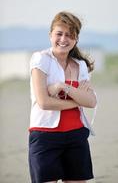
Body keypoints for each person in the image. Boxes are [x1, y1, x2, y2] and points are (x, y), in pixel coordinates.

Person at [29, 11, 97, 183]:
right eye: (59, 33)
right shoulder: (41, 59)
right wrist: (77, 100)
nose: (63, 39)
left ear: (76, 39)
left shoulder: (80, 65)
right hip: (45, 136)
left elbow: (92, 101)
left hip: (77, 136)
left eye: (70, 35)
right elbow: (44, 102)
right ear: (50, 35)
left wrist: (61, 86)